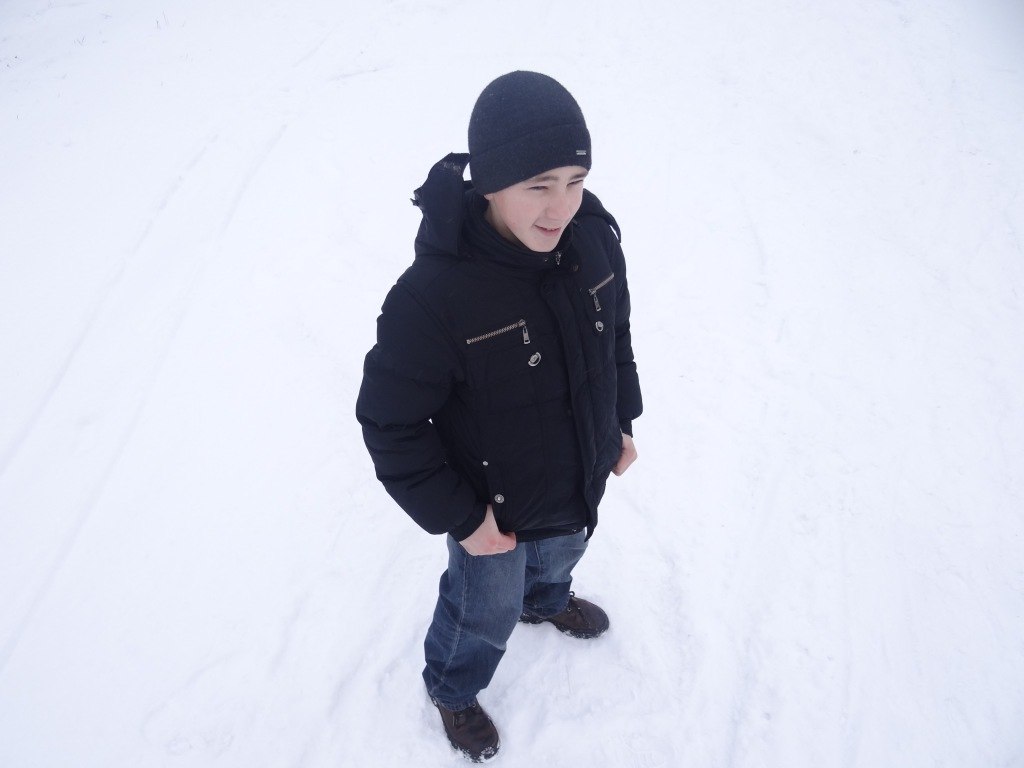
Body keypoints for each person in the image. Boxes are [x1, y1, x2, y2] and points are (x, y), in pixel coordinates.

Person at [356, 71, 643, 762]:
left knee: (562, 553)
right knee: (482, 609)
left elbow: (616, 333)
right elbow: (391, 424)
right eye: (538, 185)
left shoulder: (593, 238)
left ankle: (545, 599)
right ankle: (453, 687)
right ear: (490, 184)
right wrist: (463, 517)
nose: (561, 206)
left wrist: (622, 419)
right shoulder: (434, 297)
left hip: (578, 473)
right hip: (494, 512)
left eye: (575, 180)